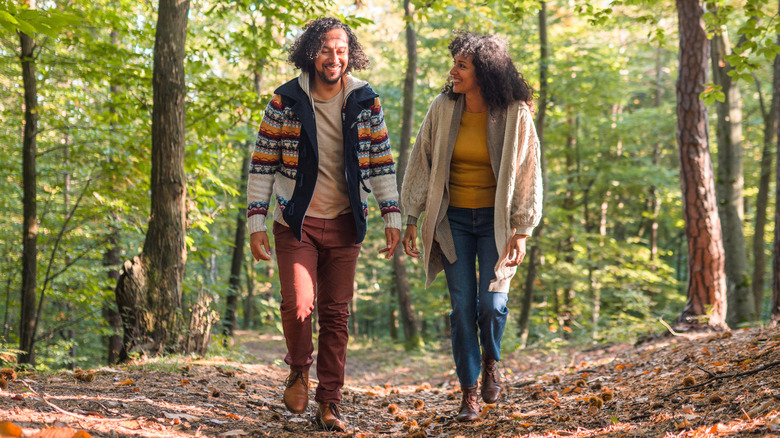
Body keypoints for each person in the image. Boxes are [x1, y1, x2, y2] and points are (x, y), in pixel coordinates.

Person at [247, 17, 402, 432]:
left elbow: (382, 160)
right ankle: (299, 369)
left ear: (350, 54)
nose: (334, 57)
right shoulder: (286, 100)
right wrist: (256, 221)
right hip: (295, 222)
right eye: (326, 49)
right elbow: (263, 164)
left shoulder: (366, 101)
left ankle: (329, 401)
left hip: (346, 222)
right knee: (298, 305)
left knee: (336, 315)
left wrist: (392, 213)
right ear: (311, 52)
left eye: (341, 50)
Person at [400, 31, 542, 422]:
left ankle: (492, 360)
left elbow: (529, 174)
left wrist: (522, 229)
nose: (453, 71)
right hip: (454, 222)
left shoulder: (515, 114)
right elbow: (420, 161)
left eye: (462, 65)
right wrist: (411, 217)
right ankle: (469, 392)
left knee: (492, 305)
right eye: (455, 63)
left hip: (497, 225)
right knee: (462, 308)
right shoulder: (443, 108)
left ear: (486, 71)